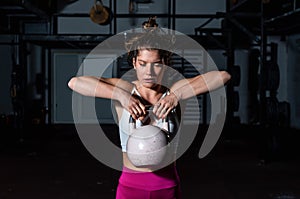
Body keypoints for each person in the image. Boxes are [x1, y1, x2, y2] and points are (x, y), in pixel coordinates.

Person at [68, 16, 231, 199]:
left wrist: (177, 96)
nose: (149, 72)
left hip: (166, 186)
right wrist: (120, 96)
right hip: (130, 187)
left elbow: (223, 76)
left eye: (156, 65)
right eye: (143, 64)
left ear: (166, 64)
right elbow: (75, 82)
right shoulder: (125, 89)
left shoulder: (174, 92)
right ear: (134, 63)